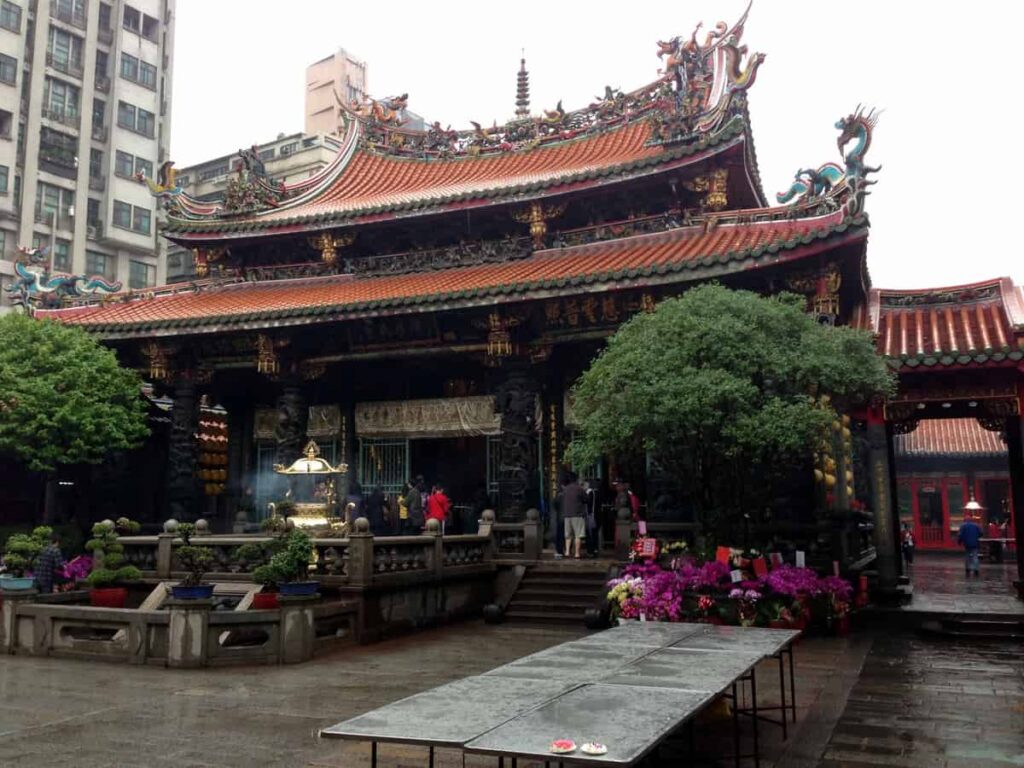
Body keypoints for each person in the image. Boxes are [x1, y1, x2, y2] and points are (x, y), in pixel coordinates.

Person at [561, 473, 588, 560]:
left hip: (567, 514)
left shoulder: (565, 489)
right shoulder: (579, 489)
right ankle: (577, 553)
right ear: (576, 479)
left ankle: (567, 552)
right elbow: (586, 499)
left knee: (568, 535)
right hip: (578, 514)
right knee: (578, 535)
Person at [957, 513, 983, 577]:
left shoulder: (963, 526)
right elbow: (981, 533)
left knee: (967, 556)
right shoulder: (976, 525)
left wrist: (959, 541)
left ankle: (968, 569)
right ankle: (976, 569)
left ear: (965, 519)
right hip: (975, 543)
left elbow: (960, 535)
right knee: (975, 556)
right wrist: (977, 537)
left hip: (967, 543)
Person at [582, 479, 599, 557]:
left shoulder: (589, 493)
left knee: (590, 533)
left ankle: (591, 550)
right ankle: (595, 549)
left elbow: (587, 503)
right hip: (594, 515)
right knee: (594, 533)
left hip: (590, 515)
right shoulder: (596, 492)